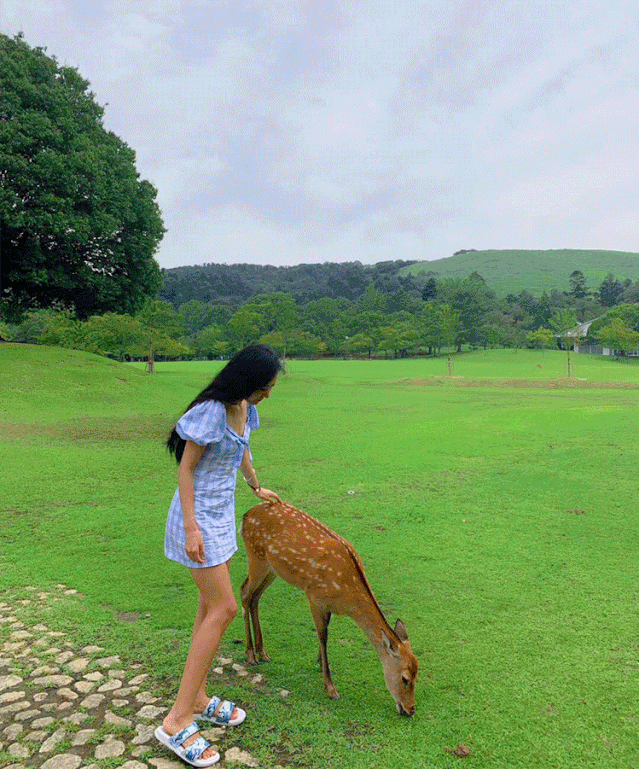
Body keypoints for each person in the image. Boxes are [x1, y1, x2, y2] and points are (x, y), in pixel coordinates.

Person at [155, 344, 282, 767]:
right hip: (198, 521)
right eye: (265, 387)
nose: (268, 394)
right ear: (247, 381)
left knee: (208, 608)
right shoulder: (211, 410)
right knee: (226, 607)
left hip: (221, 516)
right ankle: (176, 720)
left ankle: (200, 696)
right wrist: (192, 528)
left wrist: (255, 486)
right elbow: (185, 469)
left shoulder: (245, 409)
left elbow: (241, 448)